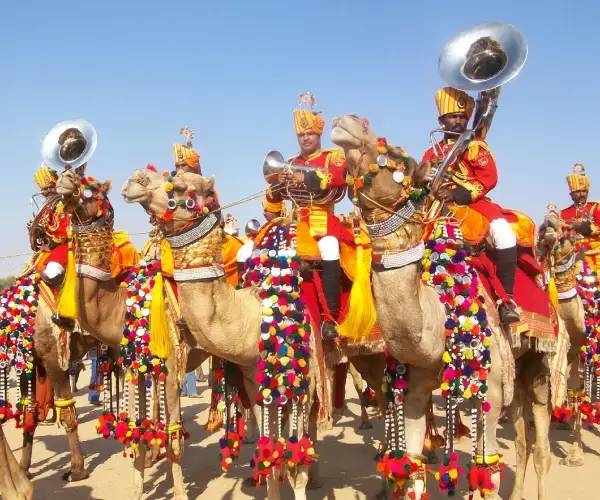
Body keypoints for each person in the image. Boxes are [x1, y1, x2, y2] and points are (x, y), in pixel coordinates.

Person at [420, 87, 520, 325]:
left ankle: (507, 301)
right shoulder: (430, 152)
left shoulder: (474, 145)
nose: (458, 120)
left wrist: (457, 194)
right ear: (440, 120)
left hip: (473, 204)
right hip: (435, 207)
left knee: (504, 233)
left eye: (462, 117)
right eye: (452, 116)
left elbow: (488, 177)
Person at [262, 92, 353, 340]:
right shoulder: (289, 162)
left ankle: (329, 319)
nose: (305, 138)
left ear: (318, 135)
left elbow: (338, 179)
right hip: (295, 222)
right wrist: (276, 188)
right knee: (257, 251)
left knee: (330, 248)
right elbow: (270, 209)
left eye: (309, 134)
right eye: (301, 135)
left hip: (323, 219)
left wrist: (306, 177)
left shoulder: (332, 156)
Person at [31, 164, 72, 326]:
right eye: (44, 190)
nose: (46, 192)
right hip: (51, 248)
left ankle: (66, 310)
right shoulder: (48, 209)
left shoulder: (66, 204)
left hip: (67, 246)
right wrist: (36, 234)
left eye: (49, 188)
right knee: (31, 269)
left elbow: (66, 232)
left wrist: (50, 245)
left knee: (53, 271)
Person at [559, 164, 600, 271]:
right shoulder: (563, 213)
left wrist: (581, 225)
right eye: (577, 192)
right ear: (571, 194)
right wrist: (568, 227)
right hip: (571, 258)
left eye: (584, 191)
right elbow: (561, 237)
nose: (581, 194)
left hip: (595, 256)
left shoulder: (596, 207)